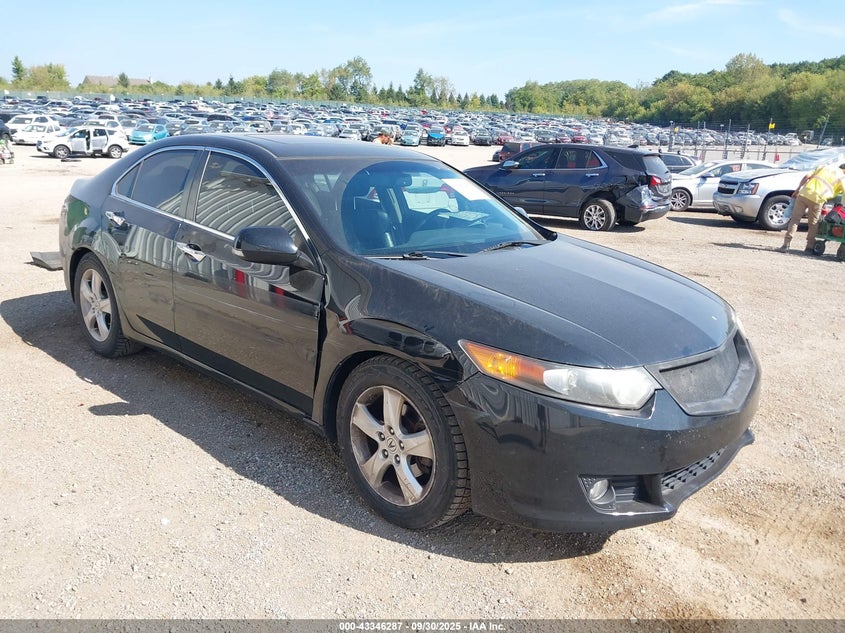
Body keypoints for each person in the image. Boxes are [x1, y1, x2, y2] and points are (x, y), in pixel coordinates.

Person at [779, 161, 845, 253]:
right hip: (818, 199)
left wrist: (797, 190)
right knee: (813, 224)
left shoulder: (823, 167)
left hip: (803, 194)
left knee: (795, 220)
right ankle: (809, 248)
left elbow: (806, 177)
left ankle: (786, 245)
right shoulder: (842, 178)